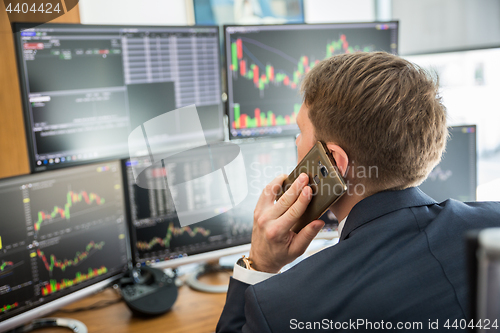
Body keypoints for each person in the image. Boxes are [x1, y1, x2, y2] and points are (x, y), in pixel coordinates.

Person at [216, 52, 500, 332]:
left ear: (334, 162)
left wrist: (259, 263)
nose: (297, 142)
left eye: (301, 131)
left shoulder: (283, 306)